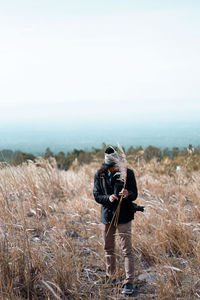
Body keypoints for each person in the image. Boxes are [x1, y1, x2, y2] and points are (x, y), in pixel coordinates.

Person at [93, 146, 138, 295]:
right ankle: (110, 276)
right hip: (107, 216)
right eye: (110, 167)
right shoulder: (99, 175)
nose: (113, 169)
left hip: (124, 216)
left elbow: (135, 193)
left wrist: (128, 193)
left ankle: (129, 281)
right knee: (108, 248)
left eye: (115, 166)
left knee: (126, 250)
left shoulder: (128, 174)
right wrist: (108, 198)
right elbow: (97, 195)